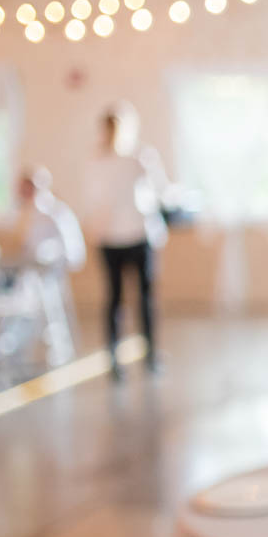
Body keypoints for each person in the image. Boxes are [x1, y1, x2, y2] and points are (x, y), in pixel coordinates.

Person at [82, 103, 168, 377]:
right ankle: (130, 356)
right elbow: (160, 191)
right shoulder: (114, 159)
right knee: (126, 299)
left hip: (128, 237)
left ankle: (136, 355)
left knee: (129, 299)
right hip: (120, 237)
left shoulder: (137, 157)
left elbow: (158, 192)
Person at [7, 167, 85, 276]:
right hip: (34, 270)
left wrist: (48, 255)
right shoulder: (28, 212)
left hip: (52, 271)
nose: (20, 192)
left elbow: (72, 249)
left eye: (24, 188)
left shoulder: (57, 211)